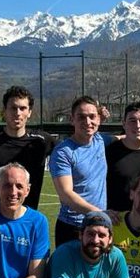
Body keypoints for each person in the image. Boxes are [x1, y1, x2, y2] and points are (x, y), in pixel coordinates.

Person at [49, 95, 108, 247]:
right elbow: (66, 194)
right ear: (72, 119)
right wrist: (100, 214)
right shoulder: (64, 152)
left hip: (98, 225)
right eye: (81, 117)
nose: (88, 122)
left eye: (92, 116)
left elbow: (126, 138)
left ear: (99, 119)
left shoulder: (100, 141)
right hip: (72, 227)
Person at [0, 85, 52, 209]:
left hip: (26, 218)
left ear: (29, 112)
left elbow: (73, 149)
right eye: (13, 108)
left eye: (22, 108)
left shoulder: (42, 141)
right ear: (4, 111)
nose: (17, 113)